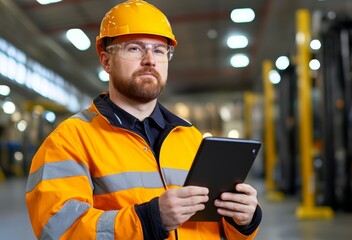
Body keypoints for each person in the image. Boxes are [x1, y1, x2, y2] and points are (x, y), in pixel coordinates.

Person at [25, 0, 262, 239]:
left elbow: (215, 230)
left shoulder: (191, 138)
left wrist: (243, 220)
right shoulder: (68, 141)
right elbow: (57, 230)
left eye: (159, 50)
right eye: (135, 49)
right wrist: (148, 220)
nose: (150, 59)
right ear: (106, 61)